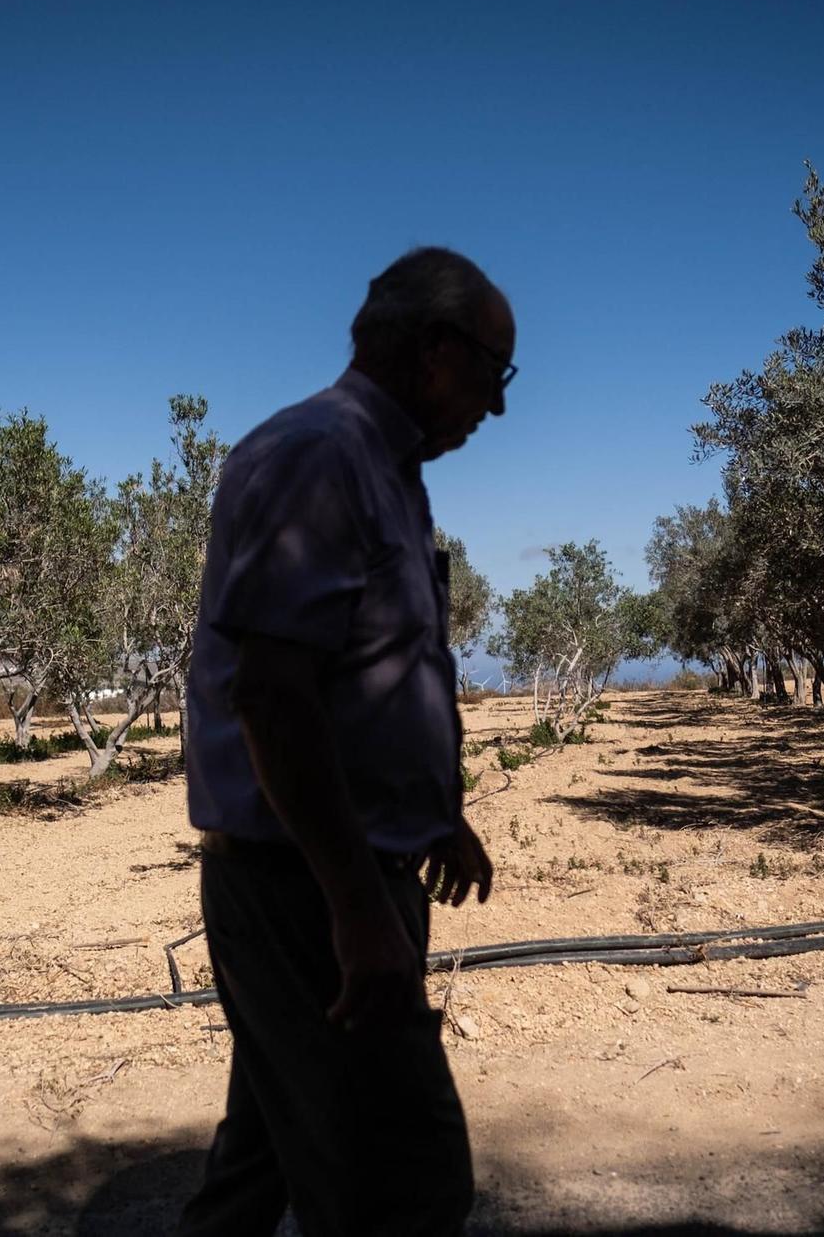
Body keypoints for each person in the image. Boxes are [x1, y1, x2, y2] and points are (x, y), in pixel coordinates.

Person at [177, 247, 514, 1236]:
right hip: (307, 889)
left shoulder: (383, 472)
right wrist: (358, 907)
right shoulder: (321, 457)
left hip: (325, 878)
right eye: (495, 371)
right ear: (437, 352)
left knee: (260, 1163)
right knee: (404, 1188)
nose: (497, 405)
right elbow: (274, 698)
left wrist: (434, 816)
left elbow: (370, 672)